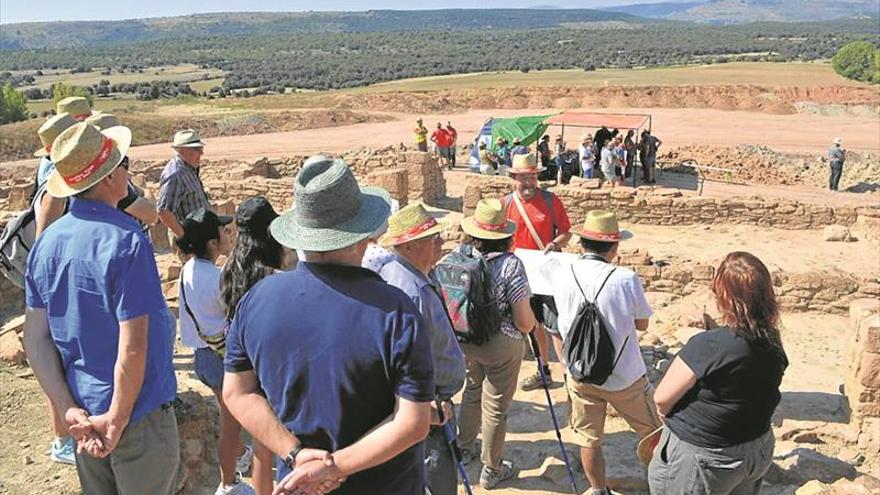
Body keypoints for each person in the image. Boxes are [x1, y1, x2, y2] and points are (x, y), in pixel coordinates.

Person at [223, 155, 434, 494]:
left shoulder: (256, 300)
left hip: (297, 483)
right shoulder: (396, 311)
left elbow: (238, 392)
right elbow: (412, 422)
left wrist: (297, 454)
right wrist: (333, 466)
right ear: (363, 235)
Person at [23, 122, 179, 494]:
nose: (128, 169)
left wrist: (66, 408)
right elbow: (134, 346)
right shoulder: (125, 242)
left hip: (84, 415)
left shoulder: (46, 246)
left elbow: (35, 338)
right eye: (123, 162)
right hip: (136, 416)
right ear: (110, 177)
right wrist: (118, 418)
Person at [650, 252, 788, 495]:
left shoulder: (711, 344)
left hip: (707, 456)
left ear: (725, 297)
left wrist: (664, 415)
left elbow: (662, 398)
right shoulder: (770, 337)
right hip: (756, 445)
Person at [550, 210, 660, 495]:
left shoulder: (563, 273)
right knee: (653, 433)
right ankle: (664, 483)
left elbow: (556, 323)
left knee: (588, 437)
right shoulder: (624, 278)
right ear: (614, 247)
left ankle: (598, 489)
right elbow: (642, 323)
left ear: (582, 244)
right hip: (625, 375)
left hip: (579, 372)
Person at [379, 203, 467, 495]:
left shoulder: (410, 273)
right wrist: (425, 408)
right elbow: (403, 359)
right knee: (435, 477)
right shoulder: (410, 292)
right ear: (409, 247)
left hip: (431, 404)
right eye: (433, 238)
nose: (441, 242)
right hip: (427, 409)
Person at [176, 208, 259, 495]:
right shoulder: (217, 277)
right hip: (222, 357)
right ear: (212, 243)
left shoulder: (188, 269)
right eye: (223, 232)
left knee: (228, 413)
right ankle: (230, 482)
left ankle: (240, 455)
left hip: (203, 354)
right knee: (232, 422)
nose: (228, 235)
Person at [456, 199, 537, 489]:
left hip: (465, 339)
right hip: (501, 343)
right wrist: (531, 329)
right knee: (496, 405)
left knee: (472, 391)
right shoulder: (511, 265)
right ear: (506, 235)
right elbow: (524, 320)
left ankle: (463, 447)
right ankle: (491, 468)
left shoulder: (459, 255)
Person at [219, 197, 283, 495]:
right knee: (274, 439)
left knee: (261, 439)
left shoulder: (230, 269)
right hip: (269, 359)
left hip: (240, 359)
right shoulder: (272, 276)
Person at [503, 154, 572, 392]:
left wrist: (553, 245)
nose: (529, 183)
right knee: (532, 325)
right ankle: (543, 371)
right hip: (519, 276)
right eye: (524, 178)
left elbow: (566, 233)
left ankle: (568, 374)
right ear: (514, 178)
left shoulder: (551, 201)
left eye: (532, 177)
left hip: (547, 275)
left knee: (556, 325)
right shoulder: (506, 205)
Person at [158, 129, 211, 240]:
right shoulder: (175, 175)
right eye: (196, 149)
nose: (201, 153)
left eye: (201, 148)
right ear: (181, 151)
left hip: (199, 232)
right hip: (188, 236)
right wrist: (184, 236)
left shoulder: (189, 168)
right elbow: (164, 211)